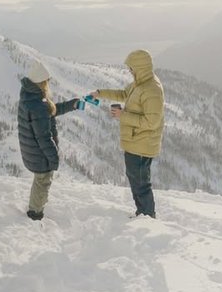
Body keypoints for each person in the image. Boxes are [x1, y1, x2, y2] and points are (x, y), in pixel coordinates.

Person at [91, 49, 165, 218]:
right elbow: (124, 94)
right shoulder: (140, 83)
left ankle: (147, 216)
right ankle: (143, 214)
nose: (129, 71)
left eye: (131, 68)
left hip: (142, 144)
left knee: (140, 183)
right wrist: (100, 93)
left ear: (140, 68)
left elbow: (151, 122)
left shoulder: (151, 89)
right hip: (136, 141)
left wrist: (123, 115)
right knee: (135, 179)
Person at [17, 58, 81, 221]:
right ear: (41, 82)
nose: (48, 84)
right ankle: (35, 214)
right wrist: (54, 158)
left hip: (33, 151)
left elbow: (50, 111)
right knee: (43, 182)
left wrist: (72, 105)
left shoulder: (30, 97)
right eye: (46, 81)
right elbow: (44, 137)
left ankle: (34, 208)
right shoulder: (37, 104)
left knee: (39, 181)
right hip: (40, 154)